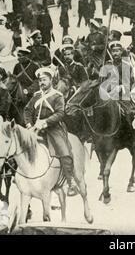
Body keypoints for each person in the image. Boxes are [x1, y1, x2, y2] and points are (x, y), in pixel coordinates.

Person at [24, 67, 79, 197]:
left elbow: (60, 113)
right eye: (40, 81)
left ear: (51, 80)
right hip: (36, 129)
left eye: (44, 80)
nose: (41, 83)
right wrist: (28, 124)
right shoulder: (36, 96)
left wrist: (45, 122)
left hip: (54, 128)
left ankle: (70, 181)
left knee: (64, 151)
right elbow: (27, 110)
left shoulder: (57, 96)